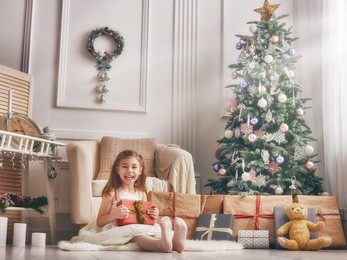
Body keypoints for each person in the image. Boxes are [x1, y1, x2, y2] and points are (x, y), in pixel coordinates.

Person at [96, 149, 187, 253]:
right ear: (117, 170)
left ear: (140, 171)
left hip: (140, 226)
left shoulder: (141, 193)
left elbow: (144, 218)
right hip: (119, 227)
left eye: (134, 167)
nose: (129, 170)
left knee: (151, 231)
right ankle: (160, 245)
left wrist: (152, 215)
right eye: (125, 166)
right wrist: (114, 215)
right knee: (137, 234)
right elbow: (99, 221)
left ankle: (176, 244)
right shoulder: (112, 192)